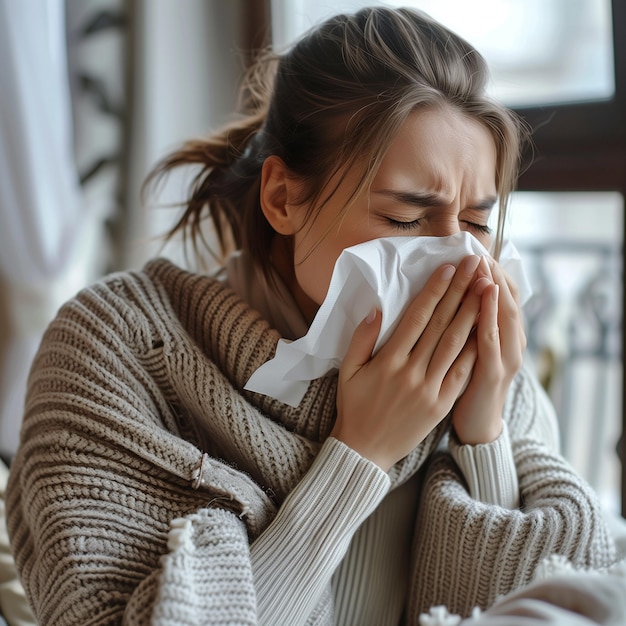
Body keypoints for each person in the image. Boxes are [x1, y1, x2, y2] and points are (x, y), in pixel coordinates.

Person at [5, 6, 621, 626]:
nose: (452, 259)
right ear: (283, 198)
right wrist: (359, 454)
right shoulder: (117, 347)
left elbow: (532, 607)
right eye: (405, 219)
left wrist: (482, 432)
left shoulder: (492, 373)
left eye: (476, 224)